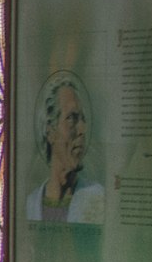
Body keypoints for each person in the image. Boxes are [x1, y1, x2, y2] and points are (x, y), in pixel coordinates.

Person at [31, 76, 110, 225]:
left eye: (83, 119)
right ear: (50, 132)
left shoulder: (96, 197)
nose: (82, 130)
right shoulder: (31, 204)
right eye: (72, 118)